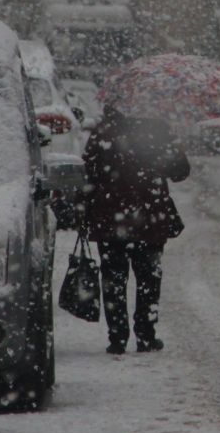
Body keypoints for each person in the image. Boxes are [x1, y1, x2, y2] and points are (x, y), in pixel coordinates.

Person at [80, 105, 191, 354]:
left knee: (113, 279)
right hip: (150, 216)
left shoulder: (104, 131)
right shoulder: (157, 130)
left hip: (110, 218)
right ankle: (146, 335)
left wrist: (85, 207)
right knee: (148, 280)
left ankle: (117, 337)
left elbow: (87, 173)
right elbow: (181, 172)